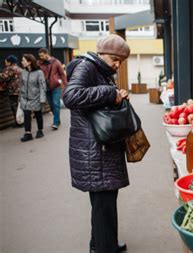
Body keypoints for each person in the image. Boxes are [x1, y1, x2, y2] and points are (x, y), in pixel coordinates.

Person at [63, 34, 130, 253]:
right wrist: (111, 93)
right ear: (101, 54)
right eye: (115, 59)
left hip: (98, 147)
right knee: (104, 205)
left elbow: (96, 101)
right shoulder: (87, 67)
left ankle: (100, 244)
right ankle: (104, 248)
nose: (117, 64)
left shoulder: (100, 69)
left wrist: (117, 95)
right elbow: (71, 96)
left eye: (121, 61)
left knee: (103, 205)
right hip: (95, 150)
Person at [19, 54, 47, 142]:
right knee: (27, 114)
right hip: (25, 97)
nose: (22, 62)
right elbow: (21, 84)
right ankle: (28, 133)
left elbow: (42, 86)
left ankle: (40, 130)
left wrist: (42, 99)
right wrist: (20, 97)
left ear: (29, 62)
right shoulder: (23, 72)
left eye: (23, 60)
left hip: (36, 97)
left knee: (38, 114)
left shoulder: (39, 72)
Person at [38, 48, 67, 130]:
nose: (41, 57)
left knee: (56, 103)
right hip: (45, 87)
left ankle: (56, 122)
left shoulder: (56, 62)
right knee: (51, 105)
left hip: (56, 86)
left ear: (47, 54)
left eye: (42, 55)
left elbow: (62, 74)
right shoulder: (39, 64)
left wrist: (66, 85)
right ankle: (57, 119)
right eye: (40, 56)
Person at [0, 55, 23, 127]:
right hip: (21, 90)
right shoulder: (20, 69)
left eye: (6, 62)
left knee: (14, 107)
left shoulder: (10, 69)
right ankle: (22, 122)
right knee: (20, 107)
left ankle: (19, 123)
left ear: (10, 62)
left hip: (13, 91)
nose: (5, 64)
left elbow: (3, 78)